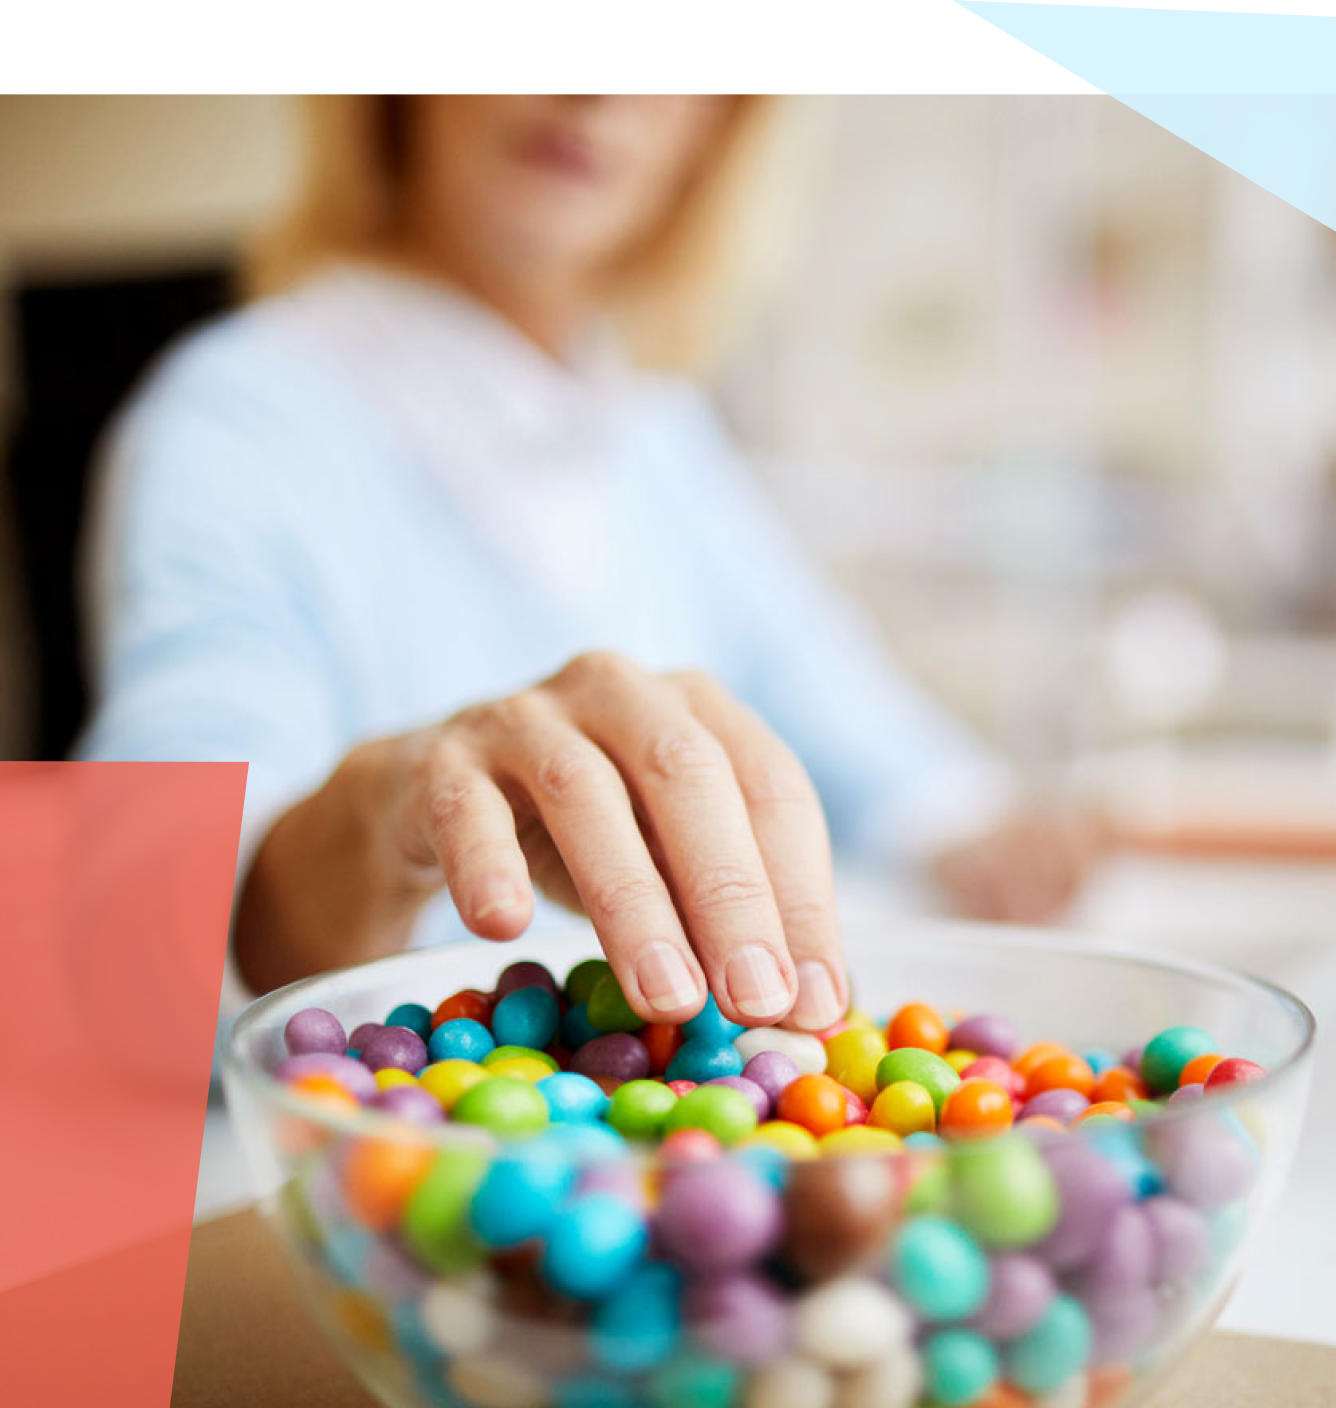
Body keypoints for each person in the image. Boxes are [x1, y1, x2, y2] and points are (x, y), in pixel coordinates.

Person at [77, 94, 1096, 1035]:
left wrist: (976, 822)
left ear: (717, 129)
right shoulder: (231, 419)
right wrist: (389, 807)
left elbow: (843, 702)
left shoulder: (653, 426)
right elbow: (138, 941)